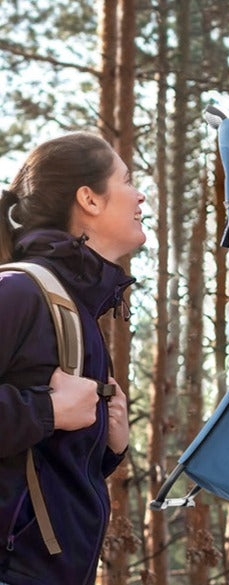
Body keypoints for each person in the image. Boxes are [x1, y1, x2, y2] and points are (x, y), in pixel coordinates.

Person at [0, 132, 145, 585]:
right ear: (90, 199)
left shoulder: (76, 307)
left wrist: (107, 446)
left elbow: (42, 465)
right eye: (126, 179)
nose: (140, 193)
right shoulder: (20, 292)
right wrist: (48, 410)